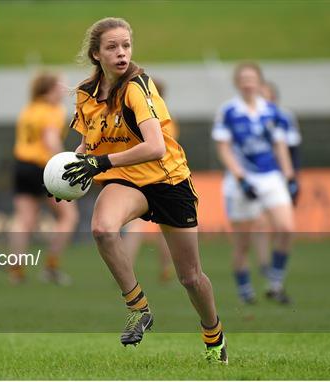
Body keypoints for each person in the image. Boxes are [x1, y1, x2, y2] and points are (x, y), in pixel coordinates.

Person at [59, 17, 227, 363]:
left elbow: (155, 148)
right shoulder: (85, 95)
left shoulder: (137, 87)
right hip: (127, 178)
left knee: (190, 277)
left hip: (168, 181)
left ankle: (214, 337)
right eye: (112, 47)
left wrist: (102, 164)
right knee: (103, 230)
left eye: (126, 46)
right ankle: (138, 308)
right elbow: (87, 146)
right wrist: (65, 176)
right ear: (96, 54)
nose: (121, 53)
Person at [212, 62, 298, 305]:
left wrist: (290, 176)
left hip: (271, 177)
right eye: (244, 78)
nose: (248, 82)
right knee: (243, 243)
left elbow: (280, 145)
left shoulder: (271, 111)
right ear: (237, 83)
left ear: (259, 82)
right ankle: (244, 289)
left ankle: (275, 283)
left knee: (287, 228)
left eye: (252, 78)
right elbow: (224, 149)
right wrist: (240, 178)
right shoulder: (228, 111)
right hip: (241, 182)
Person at [9, 72, 79, 285]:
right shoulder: (53, 111)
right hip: (43, 167)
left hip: (21, 166)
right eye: (61, 87)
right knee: (69, 216)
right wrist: (67, 165)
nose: (65, 91)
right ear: (49, 91)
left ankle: (16, 269)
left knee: (24, 220)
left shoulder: (28, 109)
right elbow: (50, 140)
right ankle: (51, 265)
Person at [122, 79, 178, 282]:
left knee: (135, 226)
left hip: (134, 177)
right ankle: (166, 269)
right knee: (166, 227)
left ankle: (124, 270)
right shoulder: (163, 119)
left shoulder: (129, 114)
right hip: (159, 179)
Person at [252, 81, 302, 276]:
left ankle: (276, 265)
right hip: (256, 176)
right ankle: (265, 265)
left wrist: (294, 177)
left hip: (279, 176)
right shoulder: (247, 116)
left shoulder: (284, 117)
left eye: (266, 95)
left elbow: (293, 148)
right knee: (261, 222)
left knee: (284, 226)